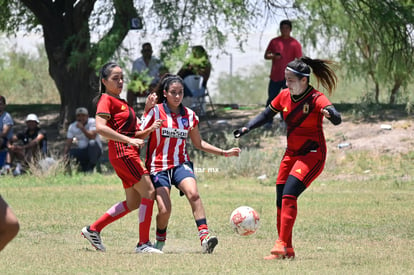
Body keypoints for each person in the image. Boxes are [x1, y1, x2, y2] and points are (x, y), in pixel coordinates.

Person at [234, 57, 342, 259]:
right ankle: (287, 250)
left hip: (312, 154)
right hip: (290, 154)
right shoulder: (284, 95)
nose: (287, 84)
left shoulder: (316, 98)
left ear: (304, 81)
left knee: (289, 194)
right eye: (286, 79)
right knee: (279, 199)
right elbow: (266, 114)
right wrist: (246, 127)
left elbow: (337, 117)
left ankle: (280, 243)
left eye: (291, 80)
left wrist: (330, 114)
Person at [139, 74, 241, 253]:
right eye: (173, 93)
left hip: (180, 163)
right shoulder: (156, 111)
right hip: (158, 167)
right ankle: (160, 242)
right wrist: (147, 110)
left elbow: (199, 143)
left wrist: (224, 152)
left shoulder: (190, 115)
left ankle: (205, 239)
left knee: (194, 194)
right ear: (165, 93)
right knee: (165, 210)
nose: (177, 96)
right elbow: (140, 132)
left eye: (180, 92)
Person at [81, 62, 163, 253]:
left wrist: (148, 111)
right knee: (149, 192)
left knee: (134, 202)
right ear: (104, 81)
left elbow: (136, 132)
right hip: (122, 152)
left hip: (126, 152)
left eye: (121, 78)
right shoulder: (106, 100)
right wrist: (128, 139)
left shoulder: (122, 102)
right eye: (115, 78)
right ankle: (143, 244)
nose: (120, 81)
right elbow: (101, 128)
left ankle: (93, 229)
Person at [264, 20, 302, 128]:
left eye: (286, 28)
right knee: (272, 99)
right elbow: (266, 55)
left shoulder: (295, 43)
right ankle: (267, 121)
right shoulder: (274, 42)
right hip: (275, 76)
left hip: (289, 78)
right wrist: (273, 56)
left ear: (290, 29)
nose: (284, 30)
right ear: (280, 29)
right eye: (282, 28)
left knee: (287, 100)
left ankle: (285, 120)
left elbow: (299, 61)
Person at [64, 107, 102, 173]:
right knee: (70, 153)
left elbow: (92, 137)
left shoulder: (92, 122)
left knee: (92, 143)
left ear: (87, 116)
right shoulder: (72, 126)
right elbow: (68, 143)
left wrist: (82, 128)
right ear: (76, 117)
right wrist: (65, 154)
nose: (81, 118)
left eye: (83, 115)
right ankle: (69, 172)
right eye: (78, 116)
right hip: (82, 150)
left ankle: (91, 167)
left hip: (95, 150)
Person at [127, 42, 163, 107]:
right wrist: (142, 85)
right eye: (145, 51)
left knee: (163, 88)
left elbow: (162, 75)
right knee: (130, 89)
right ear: (142, 52)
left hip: (154, 85)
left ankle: (163, 110)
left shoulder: (158, 61)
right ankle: (130, 111)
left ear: (151, 51)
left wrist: (157, 85)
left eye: (148, 50)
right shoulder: (137, 62)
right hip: (141, 86)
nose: (147, 52)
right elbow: (134, 78)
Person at [0, 95, 14, 174]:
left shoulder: (6, 117)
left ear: (4, 105)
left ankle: (6, 166)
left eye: (0, 104)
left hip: (6, 140)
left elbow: (4, 133)